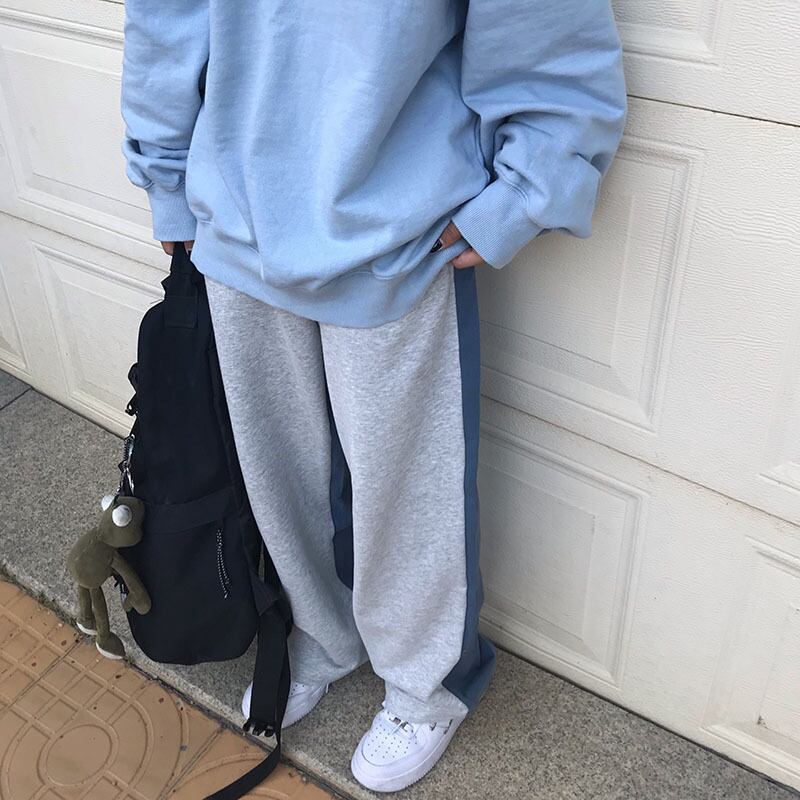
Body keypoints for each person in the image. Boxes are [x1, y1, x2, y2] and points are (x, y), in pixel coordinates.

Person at [120, 1, 627, 792]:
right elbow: (166, 17)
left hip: (397, 228)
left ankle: (428, 686)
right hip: (237, 219)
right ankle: (320, 636)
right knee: (278, 474)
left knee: (409, 486)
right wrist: (168, 176)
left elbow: (547, 31)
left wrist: (523, 194)